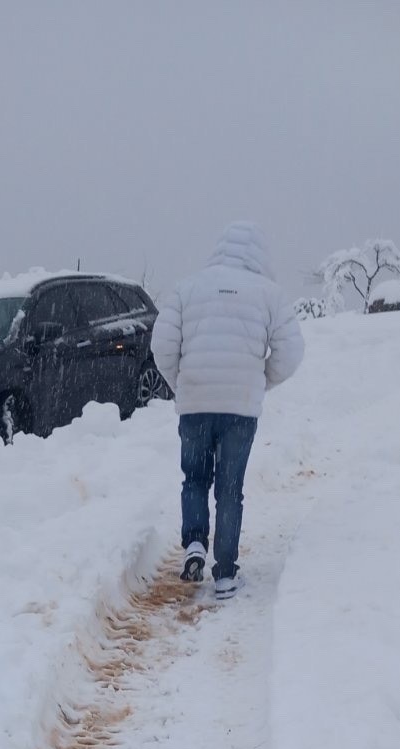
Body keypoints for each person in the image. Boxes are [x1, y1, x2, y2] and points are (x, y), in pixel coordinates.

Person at [151, 222, 304, 600]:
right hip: (240, 409)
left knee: (195, 478)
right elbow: (291, 352)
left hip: (196, 402)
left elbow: (162, 345)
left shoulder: (188, 288)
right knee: (230, 489)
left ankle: (194, 544)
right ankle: (225, 573)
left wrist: (182, 383)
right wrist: (258, 381)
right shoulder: (269, 294)